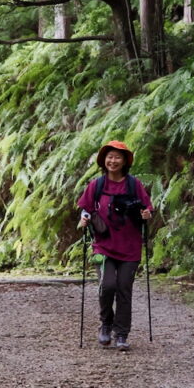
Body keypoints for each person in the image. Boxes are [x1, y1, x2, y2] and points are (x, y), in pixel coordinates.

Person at [76, 140, 153, 352]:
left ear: (125, 161)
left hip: (130, 247)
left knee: (124, 290)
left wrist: (147, 214)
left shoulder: (134, 185)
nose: (113, 161)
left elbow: (147, 209)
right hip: (102, 246)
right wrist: (84, 217)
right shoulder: (97, 185)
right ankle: (106, 324)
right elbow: (85, 207)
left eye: (118, 157)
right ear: (104, 160)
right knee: (107, 285)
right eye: (110, 157)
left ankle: (121, 334)